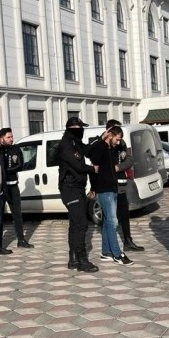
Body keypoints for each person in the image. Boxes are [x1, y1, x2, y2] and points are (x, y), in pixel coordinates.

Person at [57, 116, 99, 273]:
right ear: (74, 129)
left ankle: (73, 259)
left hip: (77, 188)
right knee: (81, 224)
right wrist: (92, 169)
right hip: (70, 188)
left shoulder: (74, 142)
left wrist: (100, 139)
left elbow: (86, 150)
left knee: (75, 224)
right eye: (81, 128)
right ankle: (82, 260)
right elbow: (79, 165)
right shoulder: (66, 145)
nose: (83, 131)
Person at [87, 125, 133, 265]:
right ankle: (117, 254)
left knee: (108, 221)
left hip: (113, 188)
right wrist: (94, 188)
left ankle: (106, 252)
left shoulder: (111, 149)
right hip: (104, 189)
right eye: (117, 139)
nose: (118, 142)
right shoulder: (99, 148)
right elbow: (93, 169)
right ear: (109, 135)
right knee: (113, 222)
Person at [106, 119, 145, 253]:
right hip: (109, 185)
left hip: (122, 183)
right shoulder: (104, 145)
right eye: (116, 131)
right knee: (111, 217)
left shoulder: (122, 144)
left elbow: (129, 160)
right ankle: (110, 245)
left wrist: (118, 167)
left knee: (124, 213)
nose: (119, 136)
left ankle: (128, 240)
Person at [0, 128, 32, 248]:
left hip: (13, 186)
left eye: (12, 136)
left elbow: (20, 165)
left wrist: (7, 170)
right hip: (1, 187)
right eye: (8, 137)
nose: (11, 139)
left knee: (17, 214)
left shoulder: (16, 149)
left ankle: (21, 239)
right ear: (1, 138)